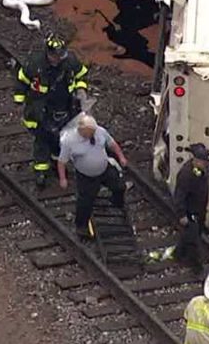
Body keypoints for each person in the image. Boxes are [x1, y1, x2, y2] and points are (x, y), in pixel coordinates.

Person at [14, 33, 91, 188]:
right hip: (41, 109)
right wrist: (19, 101)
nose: (59, 58)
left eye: (61, 54)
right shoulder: (35, 64)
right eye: (56, 55)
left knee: (61, 140)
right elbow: (22, 81)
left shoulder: (70, 62)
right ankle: (40, 172)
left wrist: (81, 91)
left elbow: (81, 75)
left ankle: (58, 165)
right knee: (42, 140)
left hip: (65, 107)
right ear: (49, 54)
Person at [57, 113, 127, 239]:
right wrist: (63, 178)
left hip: (104, 169)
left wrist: (121, 157)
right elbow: (62, 161)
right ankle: (81, 227)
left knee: (120, 186)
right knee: (85, 202)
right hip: (86, 176)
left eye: (93, 131)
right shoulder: (69, 141)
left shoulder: (99, 132)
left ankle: (117, 202)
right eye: (90, 132)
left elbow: (112, 144)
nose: (92, 134)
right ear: (81, 130)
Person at [172, 143, 209, 272]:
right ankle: (196, 266)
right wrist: (181, 214)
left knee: (191, 234)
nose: (206, 164)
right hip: (190, 211)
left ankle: (178, 254)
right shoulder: (186, 175)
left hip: (199, 210)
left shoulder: (200, 170)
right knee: (193, 239)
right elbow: (179, 196)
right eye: (204, 162)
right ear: (196, 160)